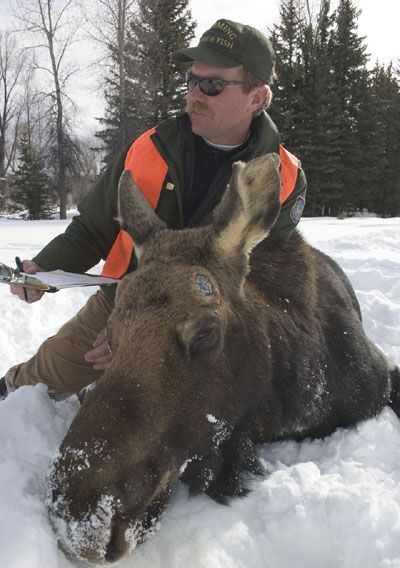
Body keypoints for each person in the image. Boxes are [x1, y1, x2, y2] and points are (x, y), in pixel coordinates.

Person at [0, 18, 307, 400]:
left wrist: (142, 338)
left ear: (256, 98)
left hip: (207, 330)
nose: (195, 94)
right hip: (124, 300)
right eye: (192, 81)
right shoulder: (149, 146)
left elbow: (261, 287)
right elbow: (93, 229)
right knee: (43, 380)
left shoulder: (283, 178)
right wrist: (44, 268)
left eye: (211, 85)